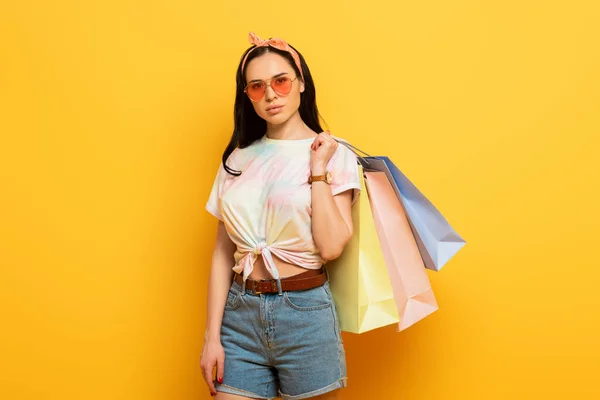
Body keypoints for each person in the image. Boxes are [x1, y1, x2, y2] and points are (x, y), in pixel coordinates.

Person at [200, 32, 361, 400]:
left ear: (300, 82)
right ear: (247, 96)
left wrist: (317, 168)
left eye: (280, 81)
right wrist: (212, 336)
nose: (270, 94)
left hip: (304, 315)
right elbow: (223, 254)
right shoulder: (237, 159)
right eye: (256, 87)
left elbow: (332, 246)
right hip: (239, 316)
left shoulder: (335, 154)